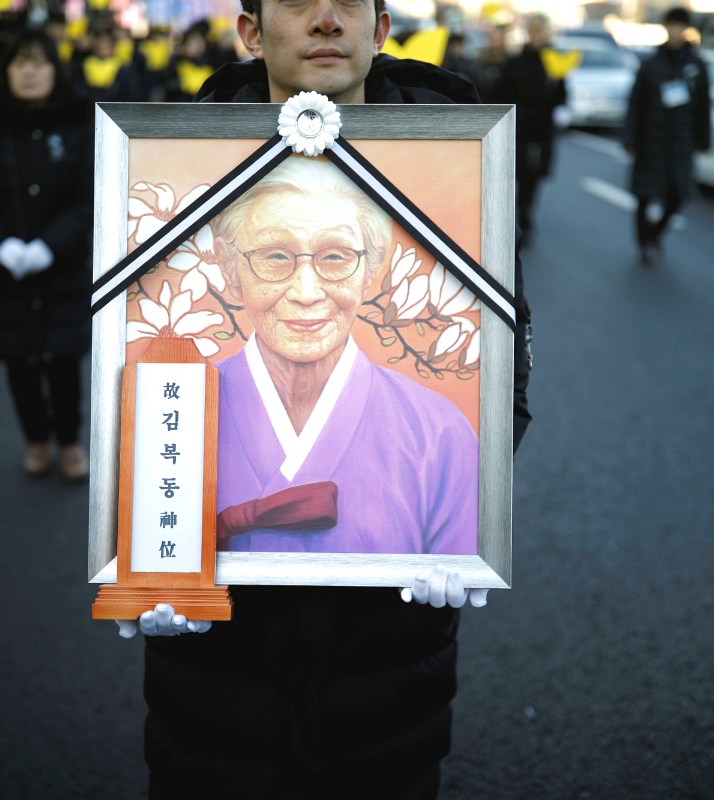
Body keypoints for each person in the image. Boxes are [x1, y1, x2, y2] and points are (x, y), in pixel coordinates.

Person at [121, 1, 534, 797]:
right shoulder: (176, 161)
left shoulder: (459, 161)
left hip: (389, 639)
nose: (324, 20)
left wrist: (467, 516)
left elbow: (503, 363)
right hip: (215, 649)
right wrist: (141, 547)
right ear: (250, 31)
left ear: (380, 30)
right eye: (273, 256)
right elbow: (125, 362)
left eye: (348, 2)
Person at [211, 156, 479, 555]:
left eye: (335, 257)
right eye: (275, 256)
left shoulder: (437, 432)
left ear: (371, 271)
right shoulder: (178, 410)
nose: (306, 292)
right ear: (229, 268)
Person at [0, 27, 93, 481]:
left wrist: (51, 245)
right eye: (20, 63)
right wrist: (1, 244)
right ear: (5, 71)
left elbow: (89, 196)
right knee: (19, 360)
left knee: (63, 360)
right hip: (5, 272)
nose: (30, 72)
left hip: (64, 269)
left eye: (39, 62)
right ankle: (35, 439)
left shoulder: (79, 124)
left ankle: (69, 442)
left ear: (55, 69)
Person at [623, 6, 710, 266]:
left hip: (681, 142)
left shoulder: (696, 66)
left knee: (679, 194)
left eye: (680, 26)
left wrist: (704, 139)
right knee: (644, 194)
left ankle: (656, 233)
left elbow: (704, 107)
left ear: (686, 29)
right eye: (671, 25)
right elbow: (635, 105)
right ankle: (643, 243)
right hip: (651, 141)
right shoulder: (650, 65)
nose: (675, 31)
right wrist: (631, 139)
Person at [492, 13, 568, 249]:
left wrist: (561, 109)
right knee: (507, 179)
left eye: (540, 30)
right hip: (515, 131)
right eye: (533, 30)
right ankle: (508, 222)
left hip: (540, 134)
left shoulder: (555, 62)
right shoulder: (514, 63)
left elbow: (562, 95)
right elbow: (499, 95)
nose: (536, 35)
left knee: (531, 180)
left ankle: (524, 220)